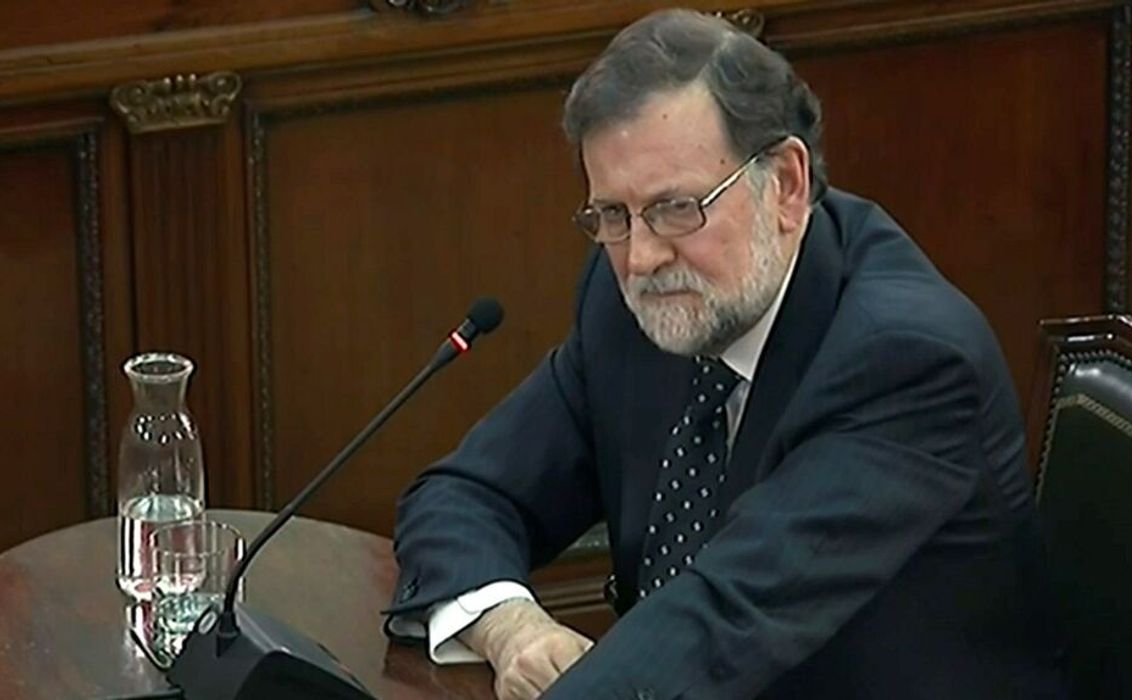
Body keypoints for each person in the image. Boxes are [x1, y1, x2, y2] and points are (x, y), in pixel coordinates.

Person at [386, 8, 1066, 699]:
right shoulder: (635, 305)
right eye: (613, 215)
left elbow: (722, 618)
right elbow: (465, 495)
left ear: (787, 185)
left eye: (677, 208)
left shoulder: (906, 361)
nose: (642, 257)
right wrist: (514, 629)